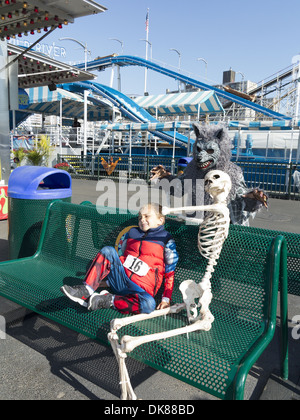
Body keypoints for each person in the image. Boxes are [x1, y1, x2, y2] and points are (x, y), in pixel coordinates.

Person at [61, 204, 179, 315]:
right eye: (140, 217)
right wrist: (107, 282)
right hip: (120, 280)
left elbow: (170, 273)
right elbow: (119, 259)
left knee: (149, 304)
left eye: (147, 216)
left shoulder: (166, 239)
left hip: (139, 292)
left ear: (161, 220)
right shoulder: (130, 233)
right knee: (108, 251)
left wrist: (166, 299)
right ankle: (86, 290)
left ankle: (107, 300)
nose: (142, 220)